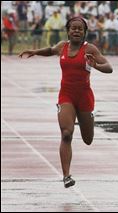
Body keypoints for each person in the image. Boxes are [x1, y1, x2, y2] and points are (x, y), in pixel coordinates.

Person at [19, 17, 113, 188]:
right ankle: (66, 176)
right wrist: (35, 51)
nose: (76, 31)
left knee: (88, 139)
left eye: (80, 29)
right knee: (66, 134)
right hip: (66, 95)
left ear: (85, 32)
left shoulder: (90, 49)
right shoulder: (63, 46)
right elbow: (50, 50)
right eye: (73, 28)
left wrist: (95, 65)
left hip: (84, 96)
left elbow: (109, 67)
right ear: (68, 31)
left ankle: (88, 118)